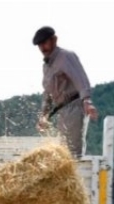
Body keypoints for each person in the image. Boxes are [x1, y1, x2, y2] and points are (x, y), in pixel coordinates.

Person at [33, 26, 98, 157]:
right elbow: (48, 92)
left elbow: (80, 78)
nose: (42, 48)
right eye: (40, 45)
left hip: (74, 106)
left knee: (73, 152)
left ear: (54, 40)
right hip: (61, 110)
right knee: (63, 152)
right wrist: (44, 114)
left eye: (45, 43)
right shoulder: (46, 66)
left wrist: (87, 100)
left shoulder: (66, 56)